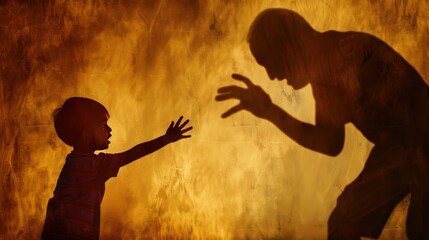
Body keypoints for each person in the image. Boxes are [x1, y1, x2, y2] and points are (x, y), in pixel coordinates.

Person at [216, 8, 429, 239]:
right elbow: (331, 143)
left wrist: (270, 111)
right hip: (408, 144)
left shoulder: (337, 58)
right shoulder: (327, 63)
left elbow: (406, 124)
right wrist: (269, 111)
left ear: (286, 47)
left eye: (269, 62)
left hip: (416, 141)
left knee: (348, 219)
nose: (272, 76)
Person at [41, 97, 192, 239]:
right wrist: (166, 139)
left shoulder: (73, 162)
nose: (109, 129)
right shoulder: (93, 165)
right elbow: (133, 154)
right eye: (102, 125)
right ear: (86, 136)